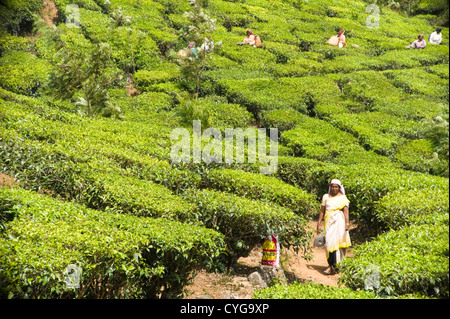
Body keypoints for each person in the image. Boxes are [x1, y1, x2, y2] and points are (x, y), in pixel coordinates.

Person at [316, 179, 351, 274]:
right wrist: (319, 223)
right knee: (329, 243)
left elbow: (346, 212)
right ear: (330, 187)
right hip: (329, 223)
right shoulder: (325, 197)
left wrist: (347, 223)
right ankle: (330, 264)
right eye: (333, 186)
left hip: (340, 223)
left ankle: (336, 266)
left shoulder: (343, 198)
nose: (334, 188)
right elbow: (322, 211)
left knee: (338, 244)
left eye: (336, 187)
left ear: (339, 188)